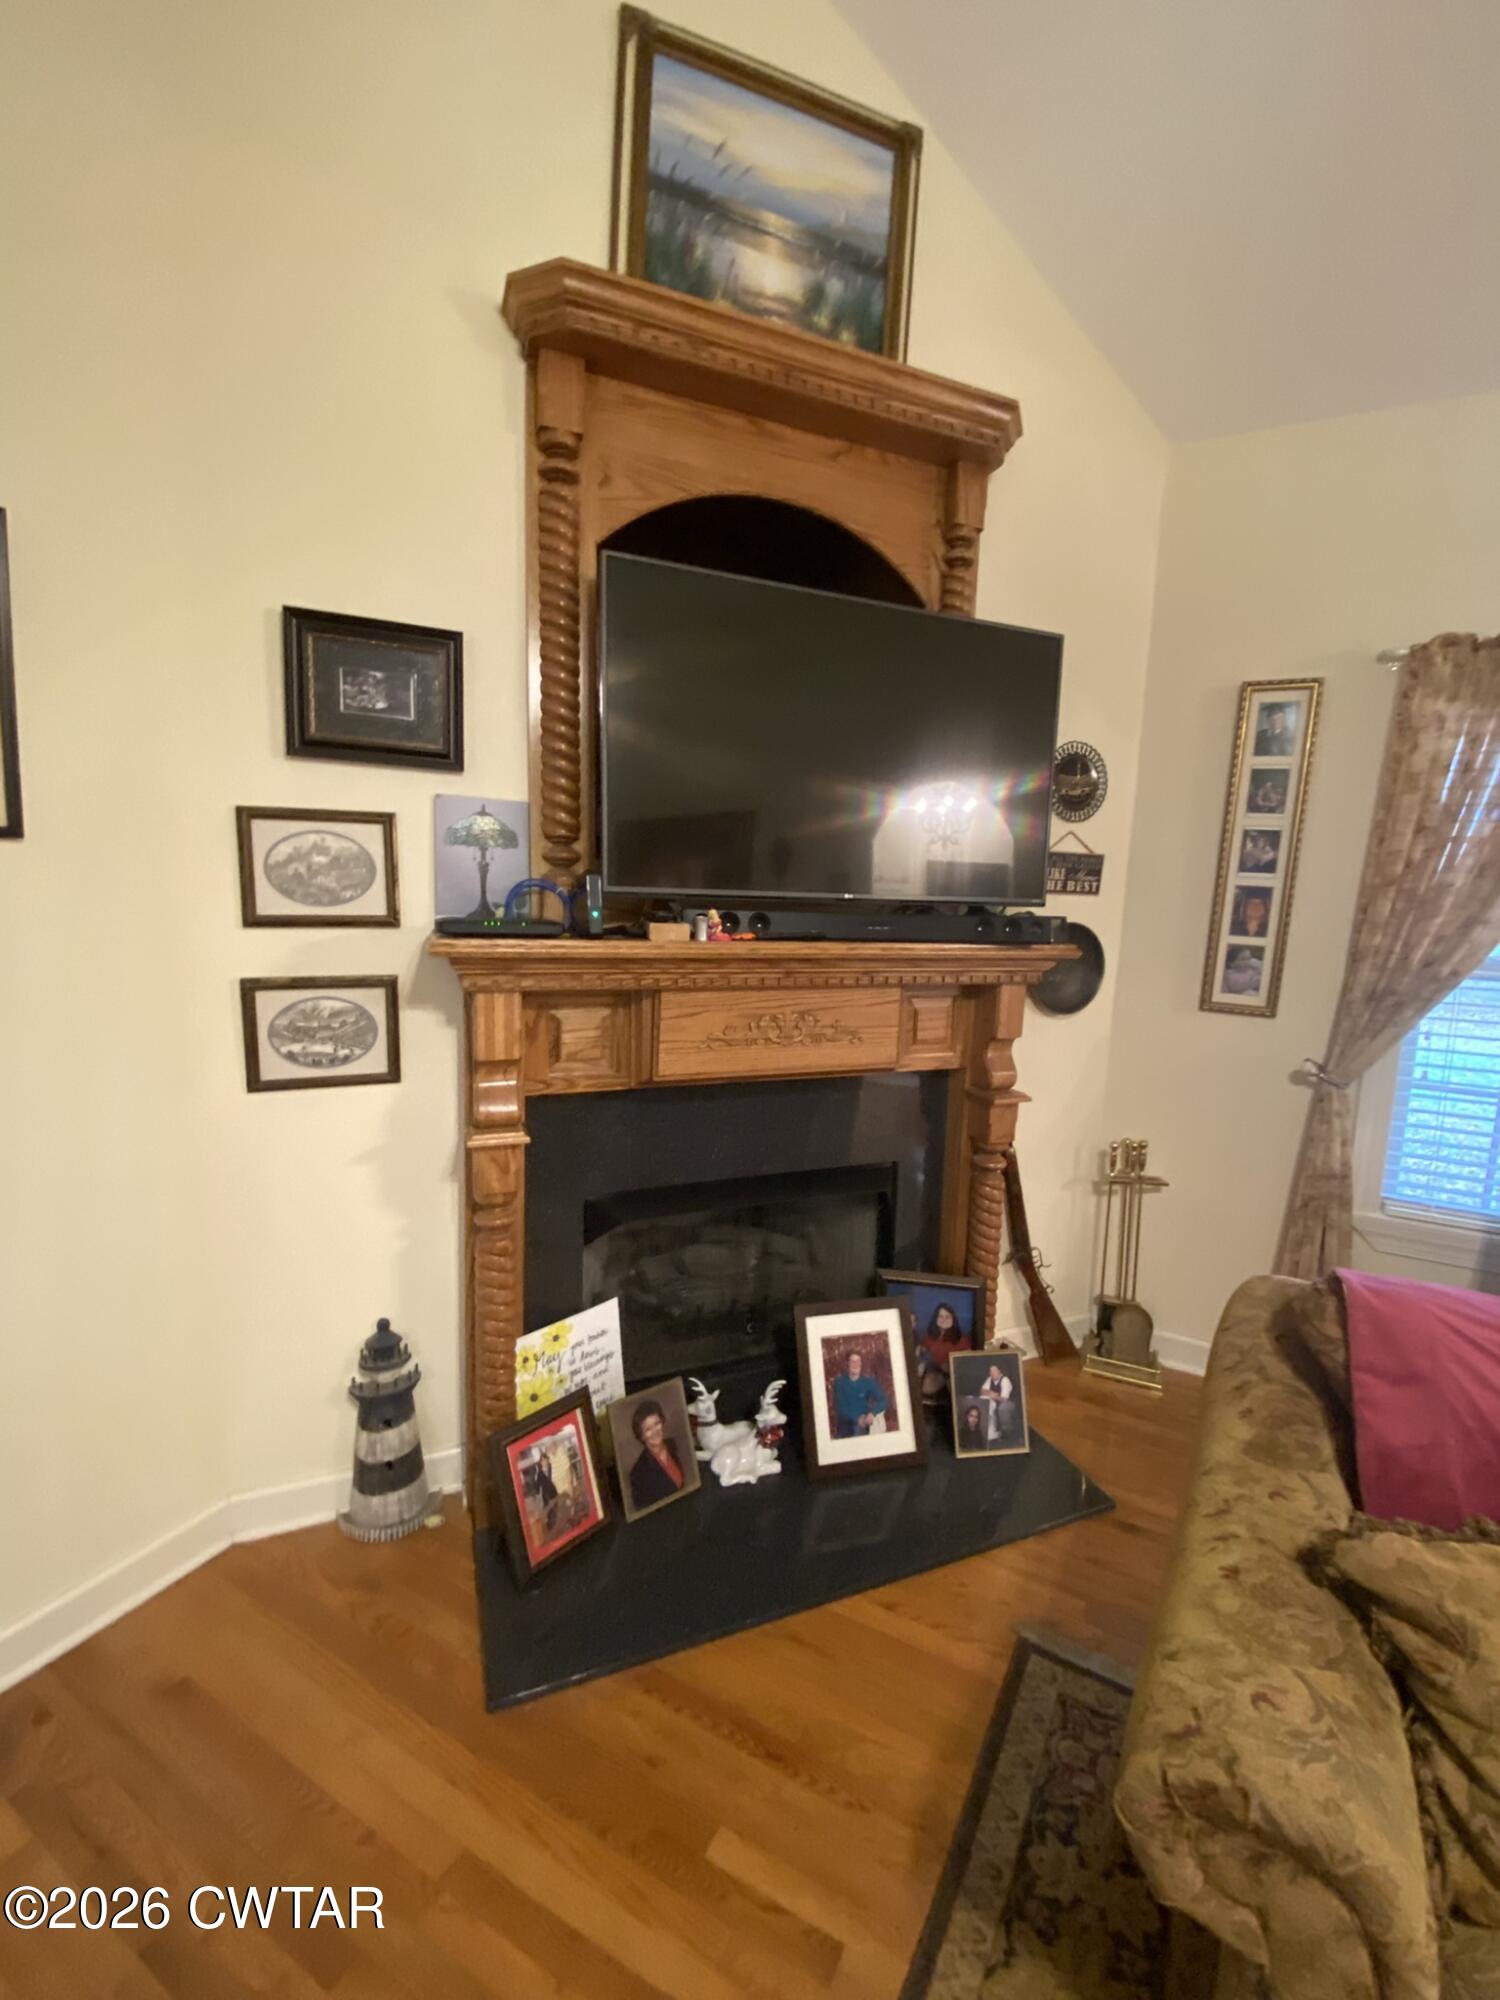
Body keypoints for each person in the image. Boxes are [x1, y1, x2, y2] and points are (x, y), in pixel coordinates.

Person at [628, 1398, 687, 1511]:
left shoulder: (674, 1445)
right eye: (648, 1429)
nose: (655, 1431)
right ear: (641, 1435)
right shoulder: (638, 1473)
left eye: (657, 1423)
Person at [831, 1349, 890, 1438]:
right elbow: (840, 1407)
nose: (855, 1364)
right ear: (847, 1363)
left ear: (861, 1364)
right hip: (846, 1425)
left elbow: (884, 1400)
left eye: (858, 1361)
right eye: (852, 1361)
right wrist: (857, 1419)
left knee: (866, 1430)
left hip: (863, 1424)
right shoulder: (839, 1382)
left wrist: (873, 1413)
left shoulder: (868, 1381)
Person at [917, 1300, 969, 1399]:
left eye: (947, 1317)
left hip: (955, 1374)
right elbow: (921, 1353)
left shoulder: (962, 1339)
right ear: (935, 1318)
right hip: (936, 1372)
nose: (943, 1319)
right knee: (925, 1387)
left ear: (953, 1319)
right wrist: (921, 1362)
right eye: (940, 1316)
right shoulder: (929, 1337)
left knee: (956, 1392)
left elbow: (967, 1362)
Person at [979, 1364, 1022, 1446]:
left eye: (994, 1371)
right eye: (990, 1371)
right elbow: (982, 1390)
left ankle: (1007, 1432)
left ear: (1000, 1371)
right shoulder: (989, 1379)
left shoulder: (1005, 1380)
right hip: (995, 1401)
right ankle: (989, 1432)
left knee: (1002, 1408)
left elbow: (1004, 1399)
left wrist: (992, 1395)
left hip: (1009, 1403)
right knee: (983, 1402)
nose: (992, 1373)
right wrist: (992, 1394)